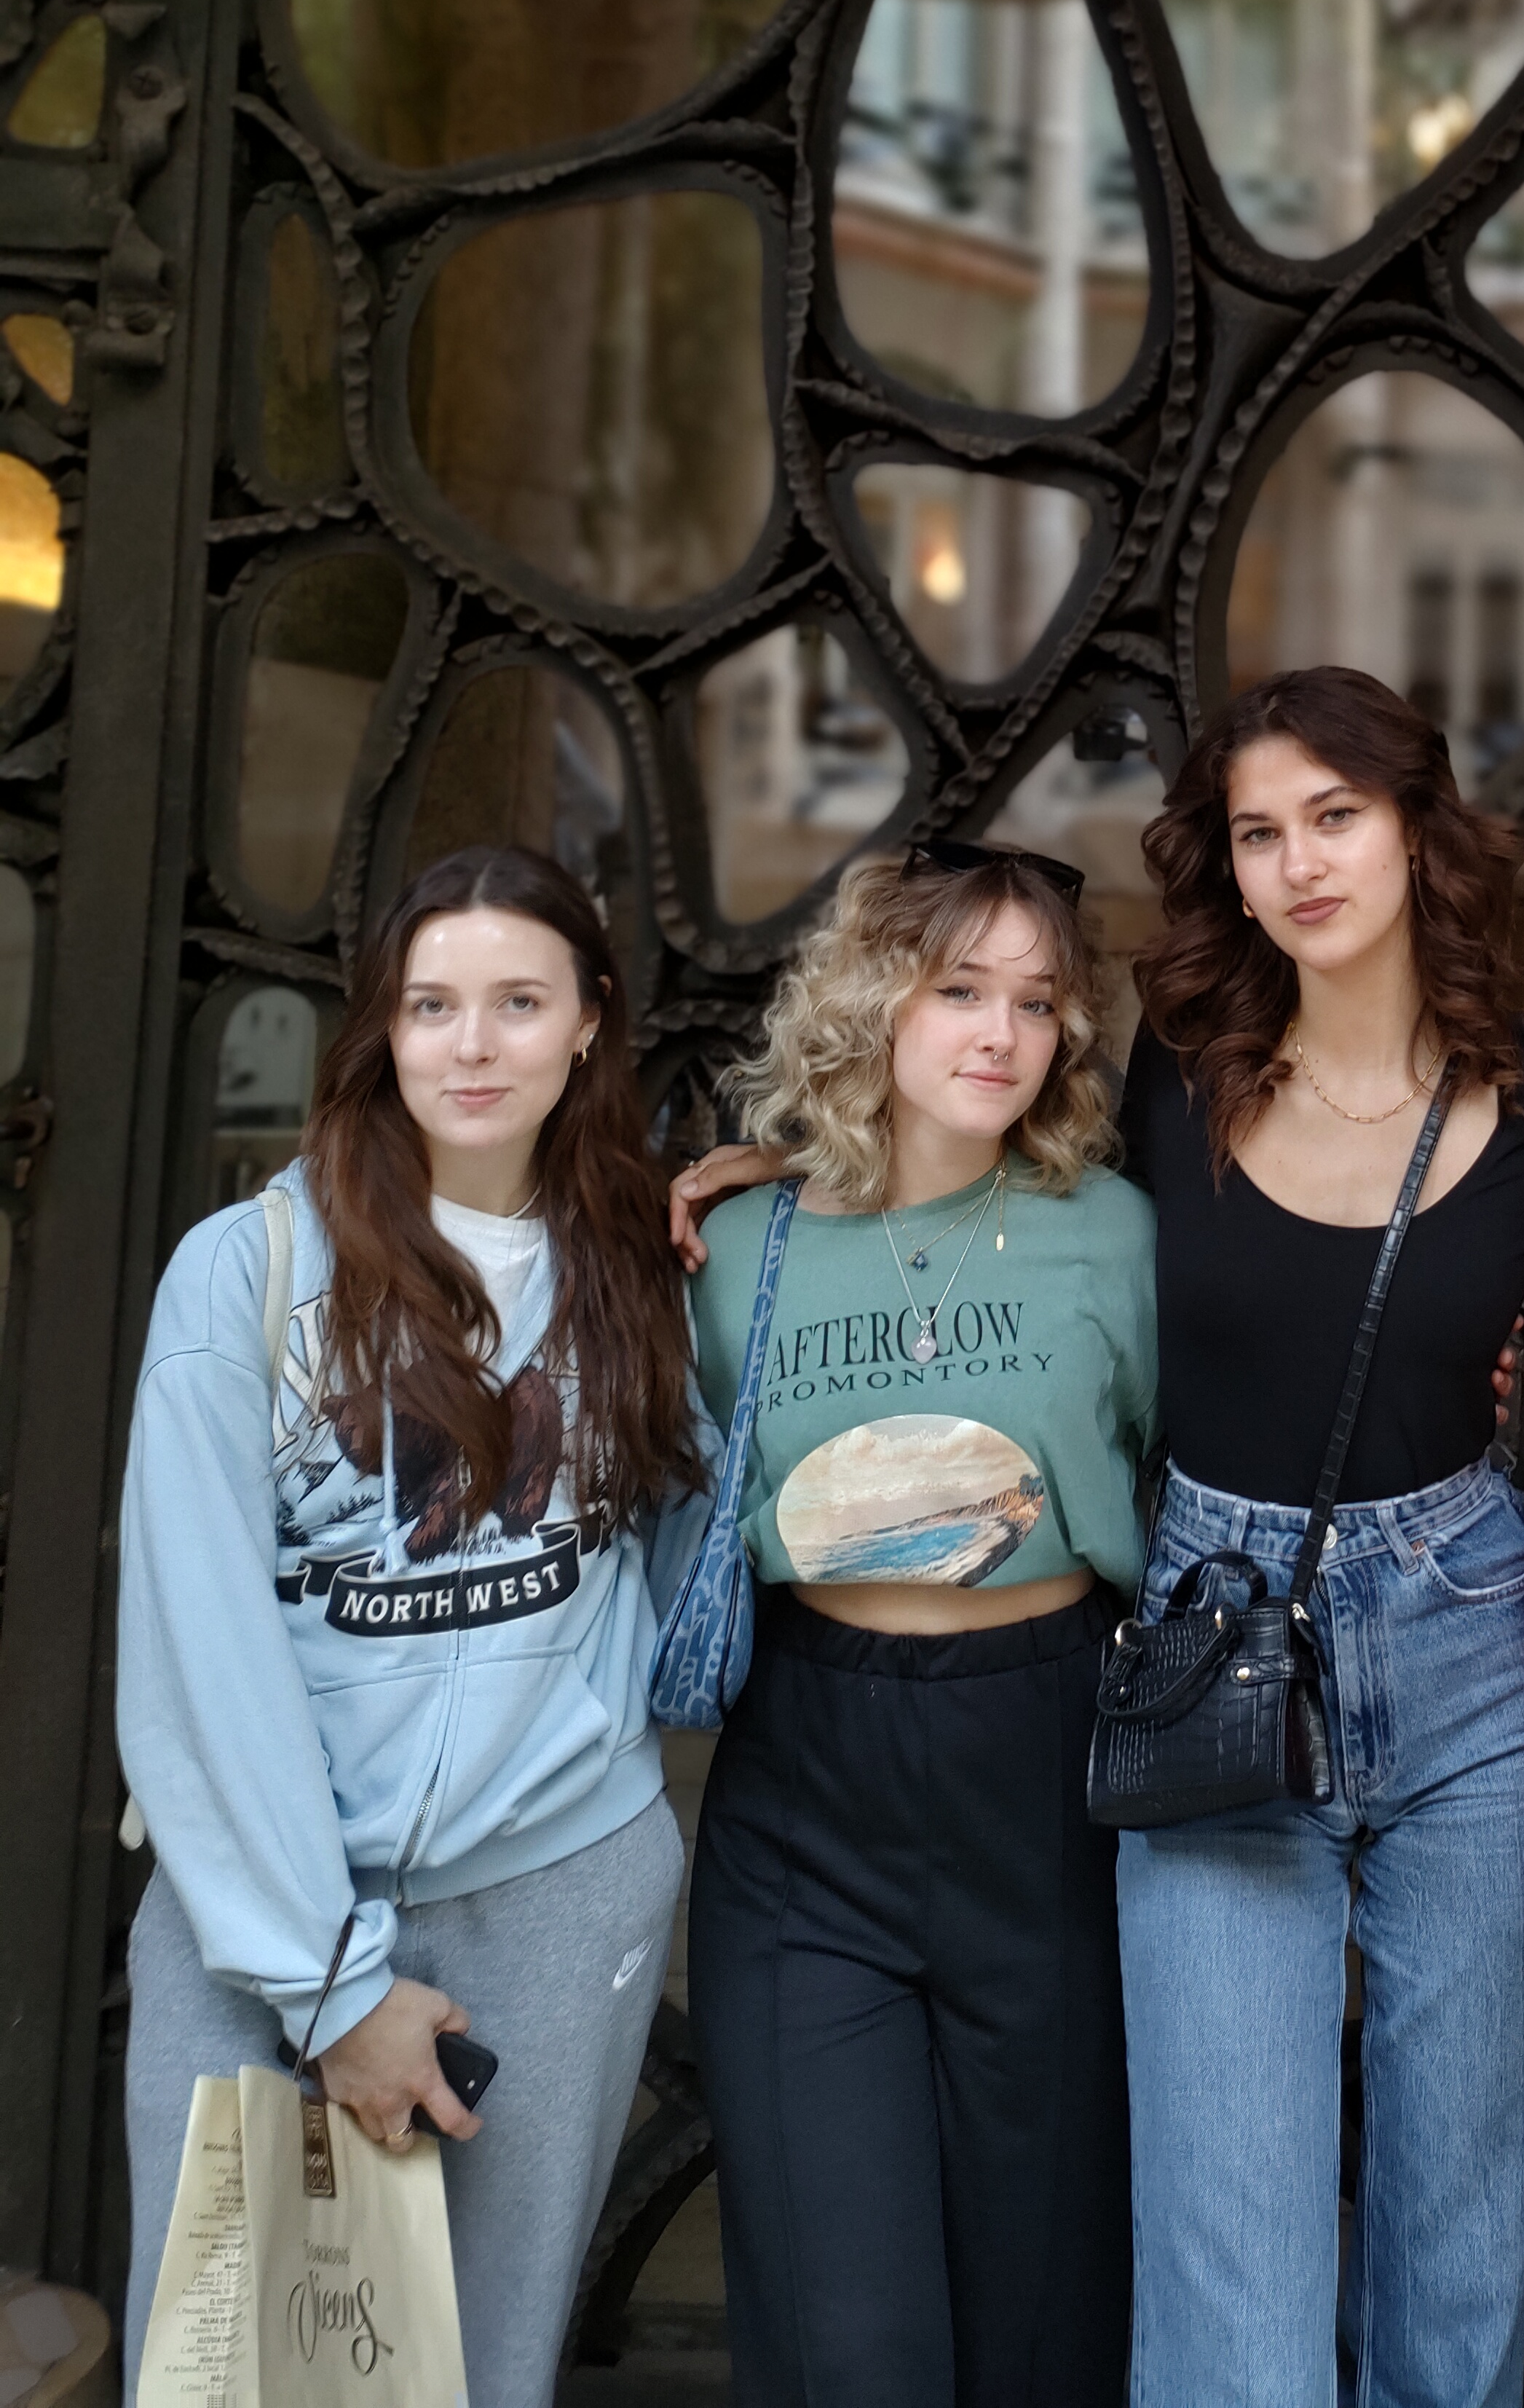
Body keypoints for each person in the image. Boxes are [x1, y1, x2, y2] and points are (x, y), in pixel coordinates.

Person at [118, 846, 706, 2408]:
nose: (471, 1044)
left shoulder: (644, 1271)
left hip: (555, 1898)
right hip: (265, 1926)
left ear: (591, 1018)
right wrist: (331, 1985)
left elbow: (692, 1547)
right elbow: (197, 1653)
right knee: (242, 2375)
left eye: (519, 1001)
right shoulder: (246, 1273)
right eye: (431, 1004)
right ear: (382, 1022)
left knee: (475, 2377)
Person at [1113, 666, 1524, 2408]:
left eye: (1335, 814)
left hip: (1471, 1637)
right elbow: (980, 1191)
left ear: (1416, 826)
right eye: (1259, 830)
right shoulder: (1172, 1069)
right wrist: (776, 1186)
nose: (1300, 862)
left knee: (1459, 2226)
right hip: (1215, 1639)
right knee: (1231, 2245)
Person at [674, 838, 1156, 2408]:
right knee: (847, 2335)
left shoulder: (1119, 1231)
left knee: (1045, 2318)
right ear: (874, 997)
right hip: (809, 1788)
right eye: (959, 989)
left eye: (1038, 1000)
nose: (1001, 1034)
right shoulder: (735, 1245)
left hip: (1049, 1770)